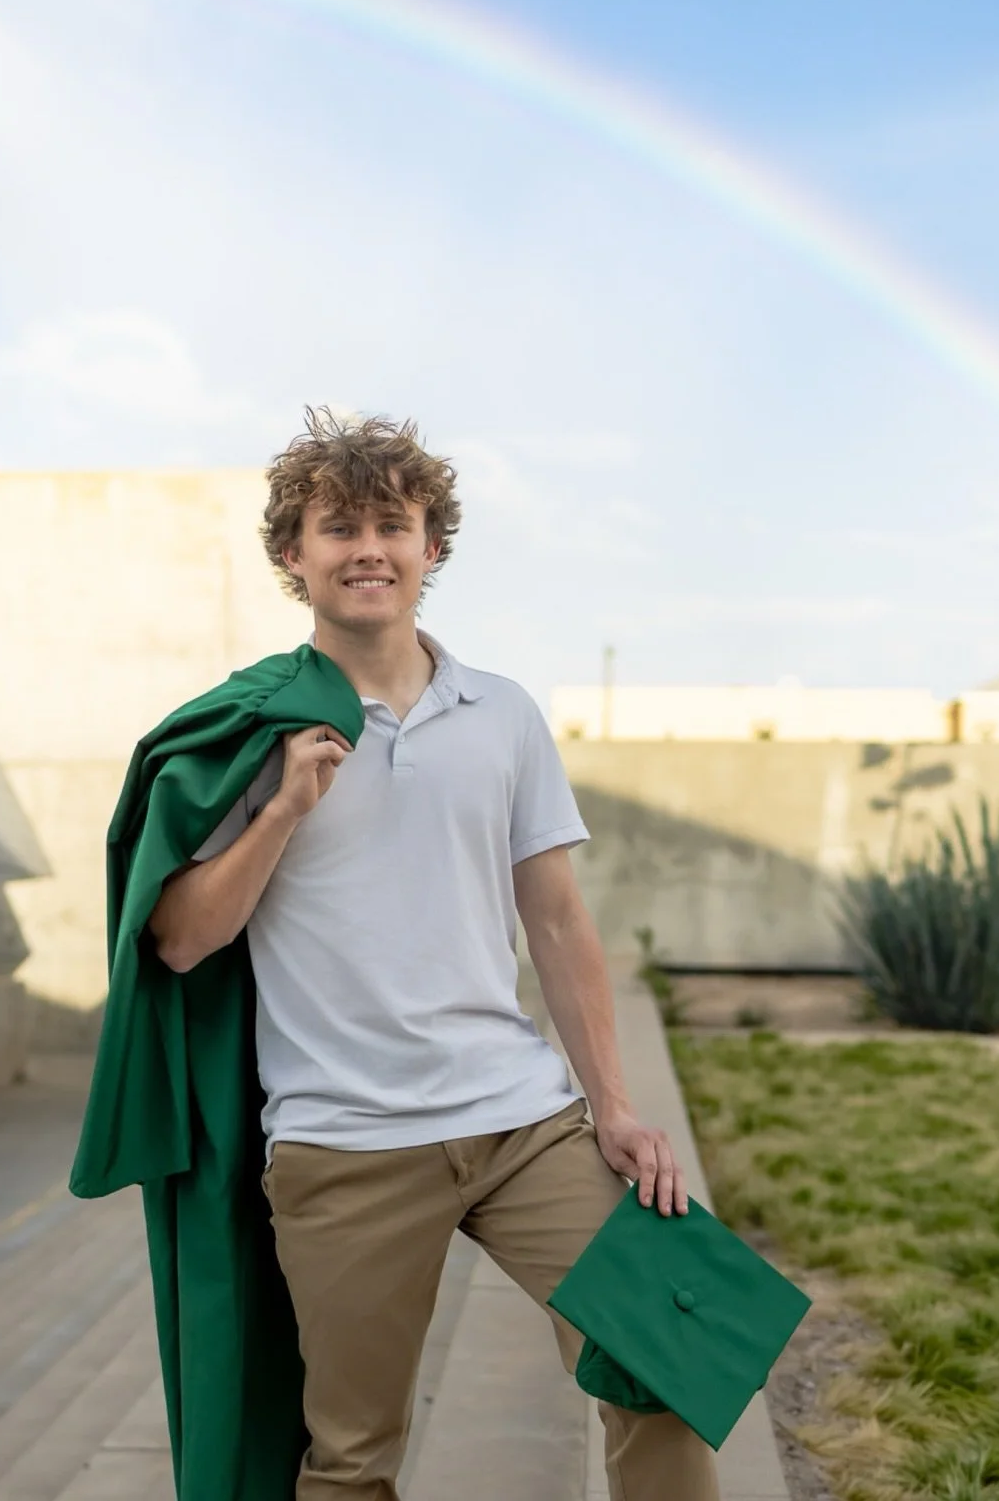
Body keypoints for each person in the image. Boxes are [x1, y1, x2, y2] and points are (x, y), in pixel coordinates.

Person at [147, 407, 721, 1501]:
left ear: (431, 547)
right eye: (339, 527)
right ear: (292, 555)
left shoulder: (502, 713)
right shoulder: (253, 730)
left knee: (669, 1367)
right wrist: (281, 810)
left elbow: (559, 922)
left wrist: (614, 1106)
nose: (368, 549)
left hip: (521, 1122)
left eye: (392, 526)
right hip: (345, 1141)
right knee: (351, 1459)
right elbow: (179, 941)